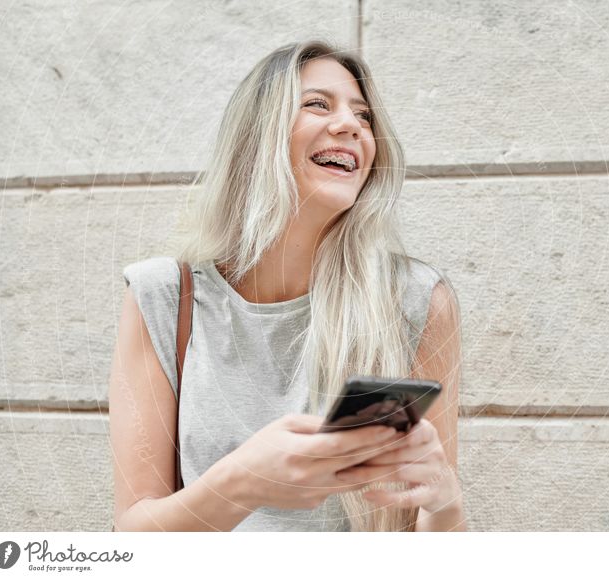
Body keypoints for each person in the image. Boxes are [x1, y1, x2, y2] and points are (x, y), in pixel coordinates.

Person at [109, 40, 465, 532]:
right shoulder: (164, 296)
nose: (352, 126)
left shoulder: (414, 299)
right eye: (318, 104)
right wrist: (243, 480)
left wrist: (444, 506)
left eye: (364, 117)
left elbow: (432, 545)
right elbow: (132, 536)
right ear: (257, 135)